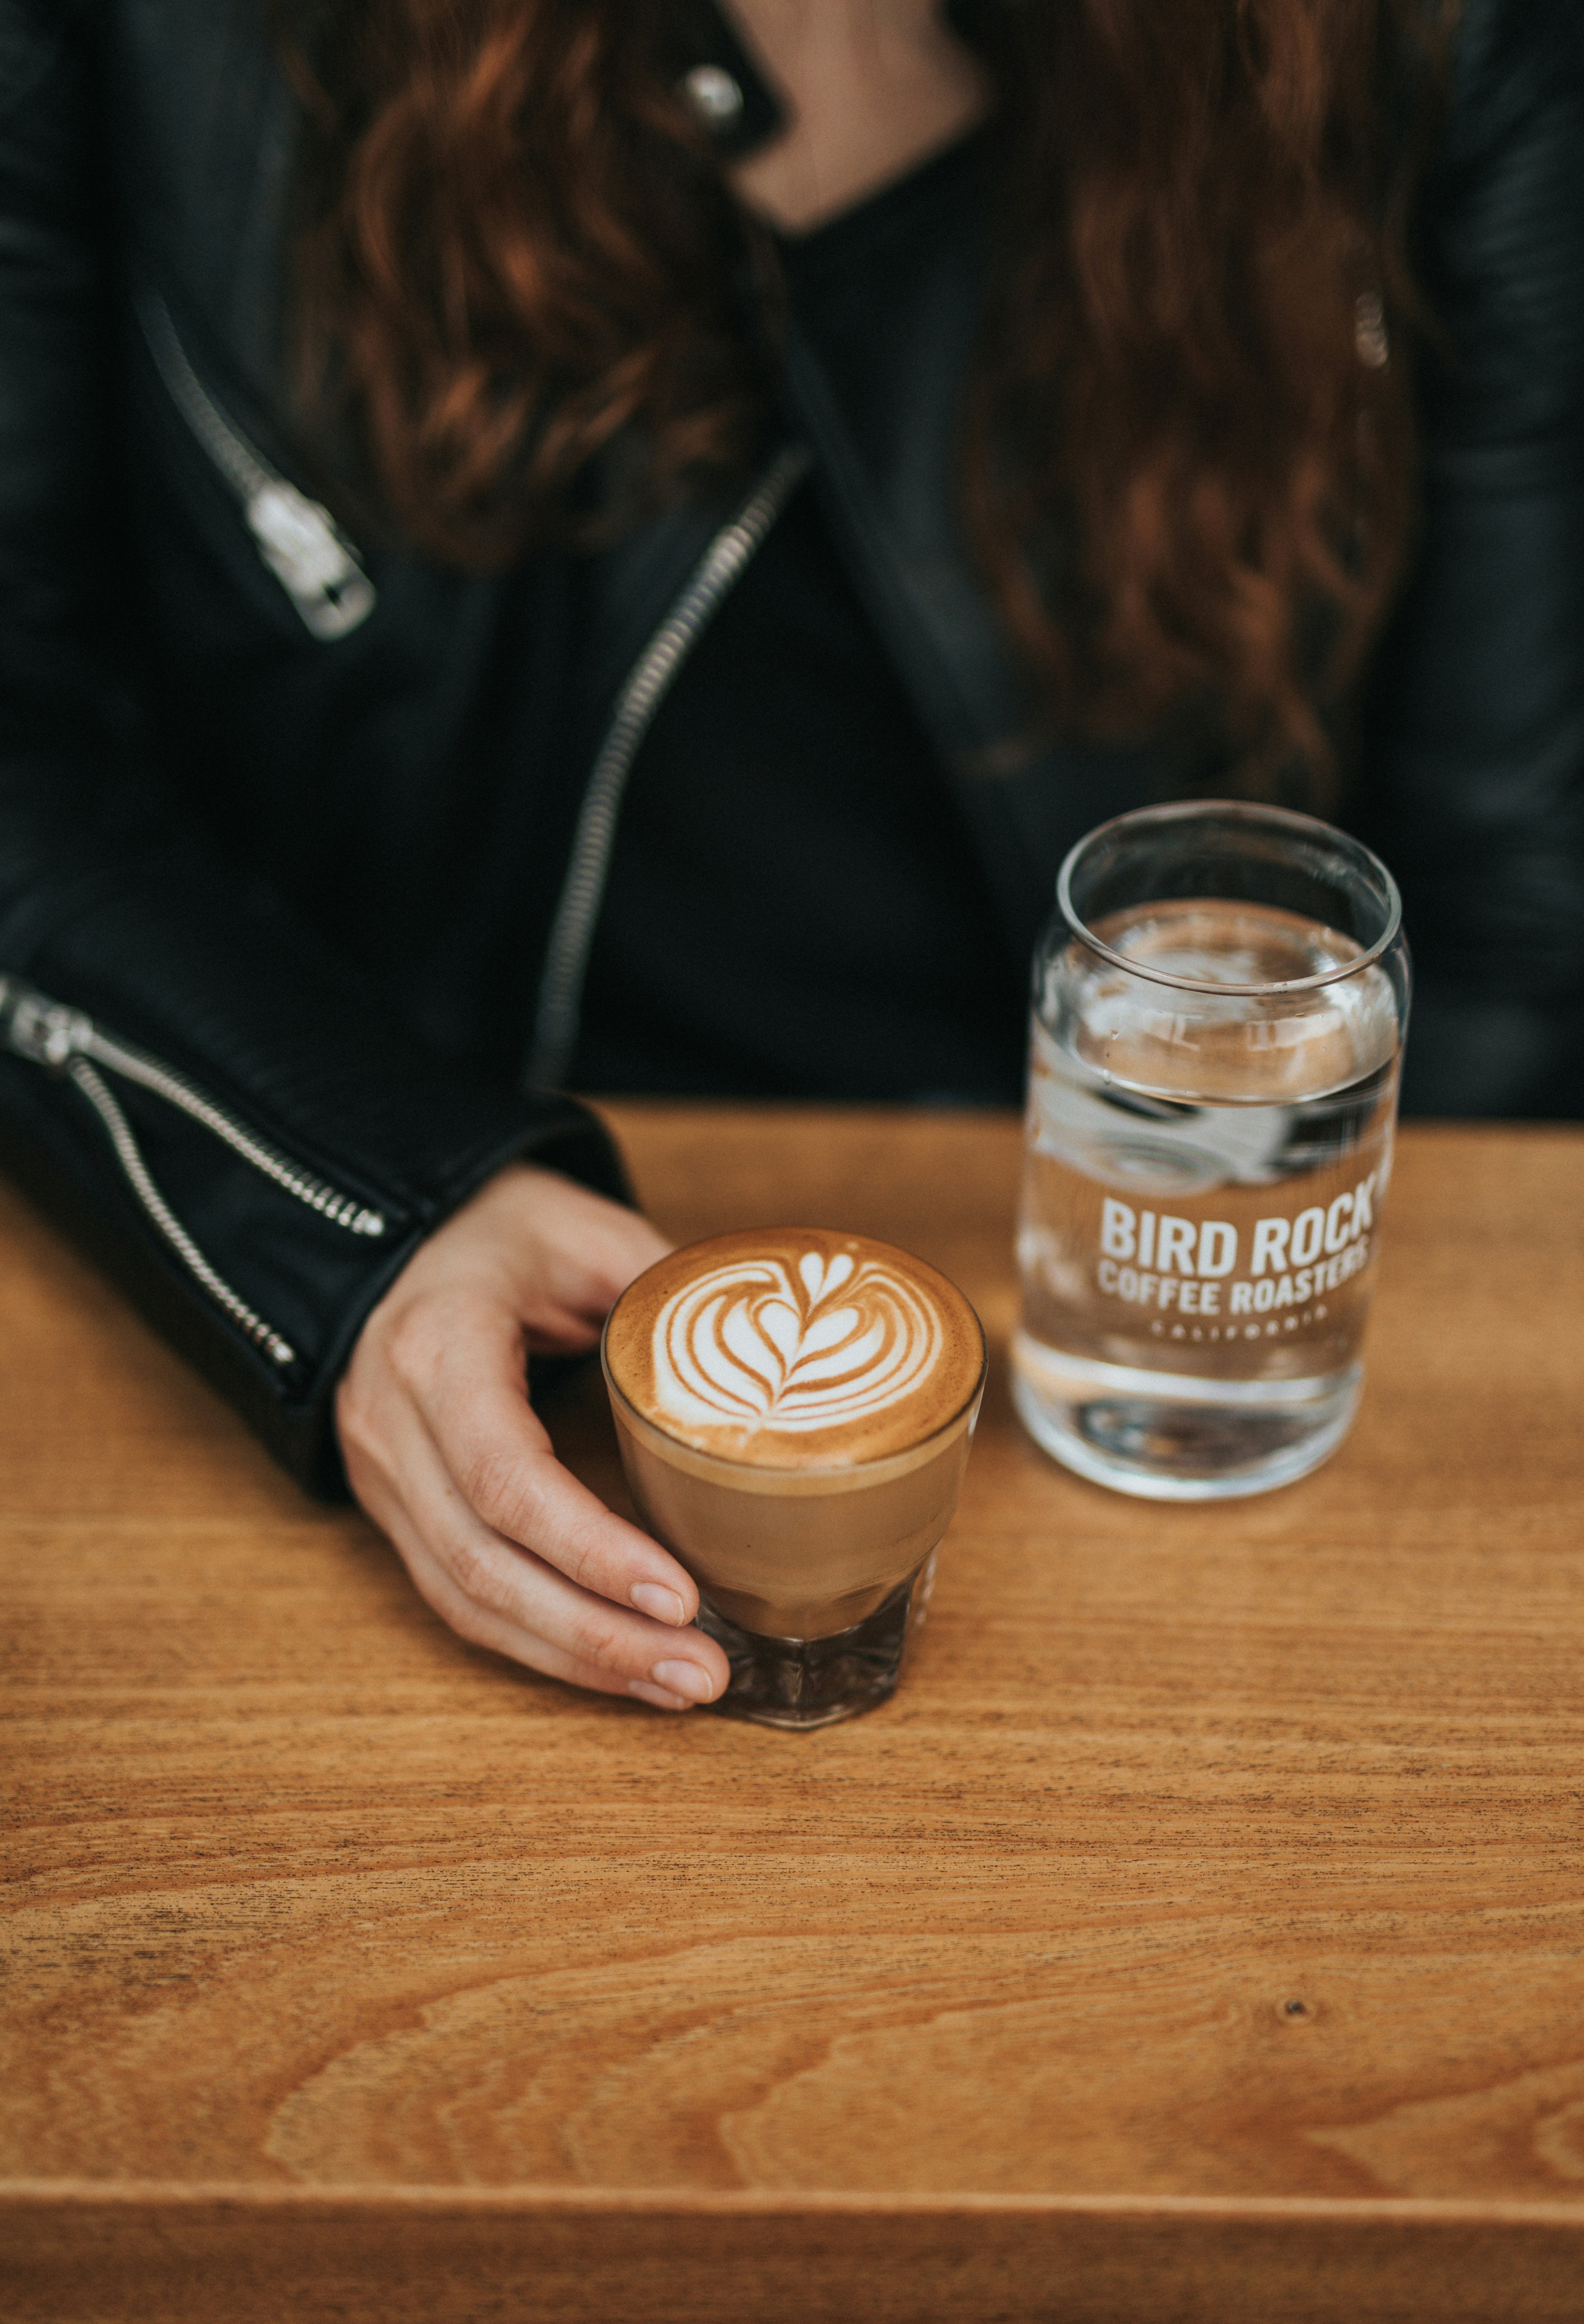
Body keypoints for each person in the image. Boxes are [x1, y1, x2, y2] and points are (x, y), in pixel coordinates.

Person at [0, 0, 1580, 1729]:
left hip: (1166, 1383)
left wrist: (1278, 1330)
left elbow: (1504, 888)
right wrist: (360, 1215)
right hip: (462, 1280)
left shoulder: (1415, 42)